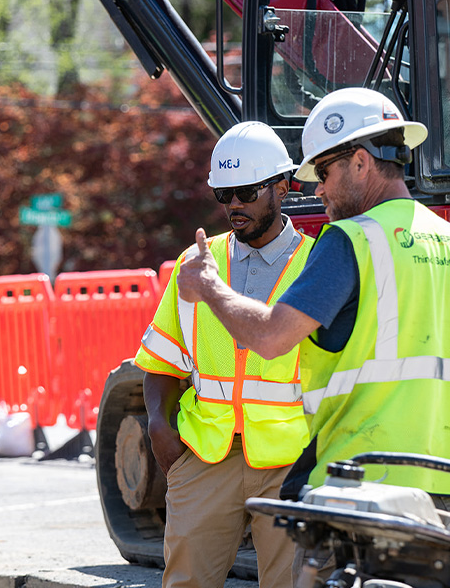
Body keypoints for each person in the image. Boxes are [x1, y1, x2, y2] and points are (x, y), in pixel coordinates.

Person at [176, 88, 450, 588]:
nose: (318, 190)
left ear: (361, 162)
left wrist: (211, 287)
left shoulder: (350, 240)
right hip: (448, 485)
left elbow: (274, 337)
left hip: (360, 486)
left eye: (323, 173)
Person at [134, 121, 315, 588]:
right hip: (206, 457)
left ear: (282, 186)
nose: (234, 204)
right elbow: (160, 361)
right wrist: (158, 424)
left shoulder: (318, 265)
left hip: (290, 462)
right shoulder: (194, 266)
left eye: (247, 192)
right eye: (224, 194)